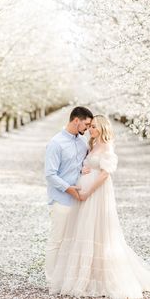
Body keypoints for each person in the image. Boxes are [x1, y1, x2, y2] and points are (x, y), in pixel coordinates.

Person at [48, 115, 150, 299]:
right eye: (90, 126)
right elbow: (84, 166)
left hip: (97, 195)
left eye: (94, 127)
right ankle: (82, 275)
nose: (90, 130)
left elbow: (104, 175)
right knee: (83, 231)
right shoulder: (91, 146)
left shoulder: (107, 146)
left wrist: (88, 192)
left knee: (98, 231)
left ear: (102, 128)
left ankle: (101, 277)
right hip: (83, 195)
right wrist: (80, 172)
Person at [45, 106, 93, 283]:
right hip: (62, 199)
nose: (87, 128)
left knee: (72, 241)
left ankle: (65, 277)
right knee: (56, 241)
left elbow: (81, 165)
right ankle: (51, 280)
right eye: (86, 124)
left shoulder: (82, 142)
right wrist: (69, 189)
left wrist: (86, 169)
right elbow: (50, 174)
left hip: (79, 200)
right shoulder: (56, 143)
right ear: (76, 120)